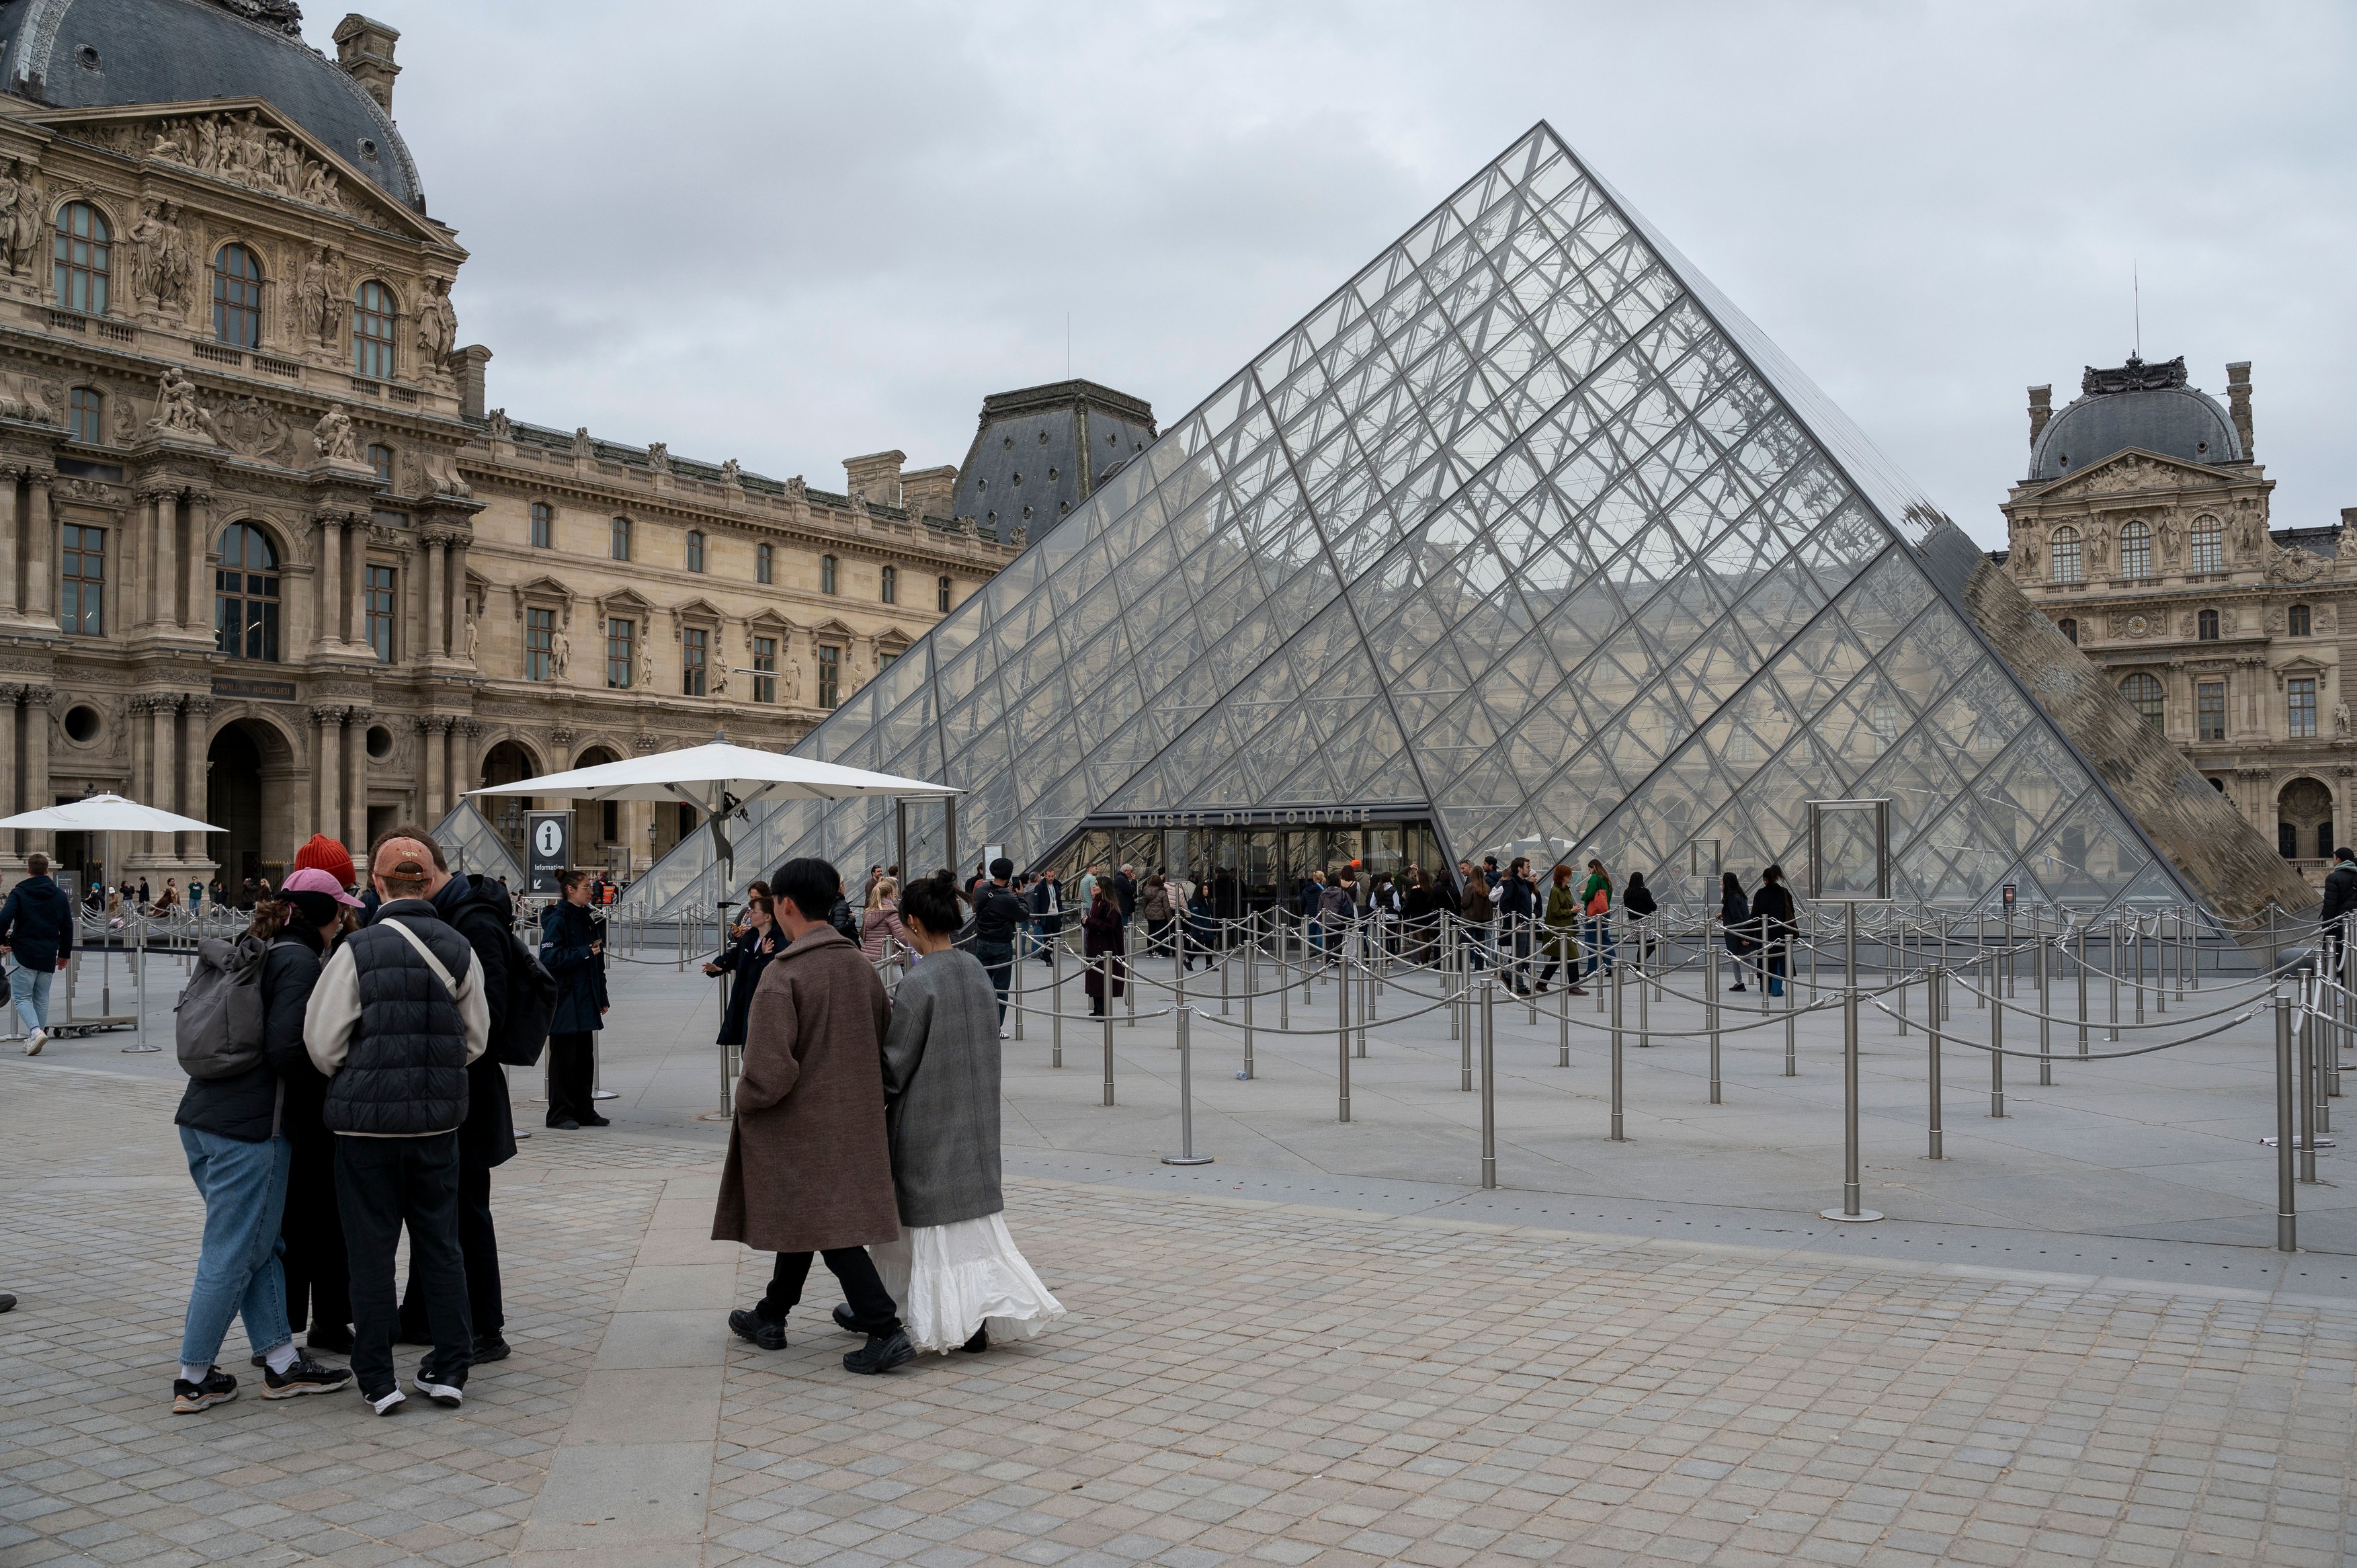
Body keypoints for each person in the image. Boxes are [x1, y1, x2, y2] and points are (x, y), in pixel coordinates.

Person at [304, 833, 492, 1415]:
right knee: (441, 1246)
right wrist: (430, 1072)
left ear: (378, 885)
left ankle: (379, 1378)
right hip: (436, 1128)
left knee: (371, 1251)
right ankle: (450, 1367)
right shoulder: (459, 947)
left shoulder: (354, 952)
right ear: (427, 881)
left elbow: (322, 1042)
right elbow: (476, 1040)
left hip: (366, 1133)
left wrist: (367, 1074)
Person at [169, 871, 360, 1414]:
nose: (345, 920)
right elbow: (285, 1048)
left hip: (203, 1117)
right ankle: (193, 1375)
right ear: (327, 915)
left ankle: (281, 1362)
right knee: (231, 1251)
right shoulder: (298, 961)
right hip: (252, 1129)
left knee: (261, 1247)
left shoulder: (257, 947)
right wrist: (329, 1088)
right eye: (341, 911)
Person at [715, 856, 911, 1375]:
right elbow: (885, 1039)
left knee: (829, 1226)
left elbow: (767, 1072)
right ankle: (770, 1314)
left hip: (800, 1125)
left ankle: (884, 1327)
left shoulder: (783, 975)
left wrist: (747, 1100)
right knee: (810, 1214)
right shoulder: (858, 966)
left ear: (784, 904)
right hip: (855, 1117)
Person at [868, 872, 1064, 1356]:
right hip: (975, 1120)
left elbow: (894, 1068)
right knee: (970, 1234)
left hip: (929, 1124)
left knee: (932, 1231)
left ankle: (945, 1319)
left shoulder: (918, 982)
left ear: (912, 920)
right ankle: (975, 1320)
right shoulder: (975, 969)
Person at [391, 831, 520, 1366]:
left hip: (469, 1089)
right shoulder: (447, 913)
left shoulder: (473, 919)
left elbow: (492, 1011)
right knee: (433, 1204)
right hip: (443, 1087)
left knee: (466, 1208)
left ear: (423, 870)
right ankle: (421, 1313)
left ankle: (486, 1327)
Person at [277, 889, 359, 1358]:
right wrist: (328, 1071)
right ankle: (299, 1327)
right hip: (310, 1108)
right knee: (320, 1221)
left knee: (304, 1222)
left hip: (295, 1110)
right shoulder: (305, 961)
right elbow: (291, 1043)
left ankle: (301, 1324)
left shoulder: (288, 950)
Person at [540, 869, 610, 1130]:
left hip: (584, 997)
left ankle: (584, 1109)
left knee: (584, 1058)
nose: (591, 891)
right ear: (570, 890)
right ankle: (559, 1113)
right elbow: (549, 958)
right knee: (564, 1059)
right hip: (567, 999)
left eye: (591, 886)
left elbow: (597, 962)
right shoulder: (559, 920)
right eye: (586, 887)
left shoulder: (586, 918)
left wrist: (602, 995)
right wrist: (582, 953)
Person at [1, 852, 73, 1055]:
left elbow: (4, 918)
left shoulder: (20, 892)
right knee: (41, 997)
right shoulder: (59, 895)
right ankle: (36, 1037)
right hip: (48, 952)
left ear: (28, 870)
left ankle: (35, 1031)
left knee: (22, 997)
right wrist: (64, 954)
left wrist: (3, 941)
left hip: (24, 951)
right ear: (47, 870)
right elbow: (67, 926)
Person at [706, 892, 780, 1054]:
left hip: (764, 1002)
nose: (750, 915)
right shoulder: (750, 937)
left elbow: (772, 971)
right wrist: (718, 965)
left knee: (760, 1048)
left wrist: (762, 956)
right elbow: (733, 956)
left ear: (767, 917)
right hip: (745, 999)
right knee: (748, 1046)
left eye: (754, 912)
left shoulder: (779, 940)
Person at [968, 858, 1027, 1038]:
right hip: (1002, 945)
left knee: (982, 987)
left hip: (982, 942)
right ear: (1009, 876)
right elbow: (1023, 915)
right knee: (1000, 989)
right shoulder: (1009, 898)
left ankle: (979, 1026)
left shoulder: (981, 890)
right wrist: (1021, 896)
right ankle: (995, 1028)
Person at [1538, 864, 1586, 995]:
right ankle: (1573, 986)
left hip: (1566, 927)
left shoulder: (1564, 890)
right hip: (1560, 929)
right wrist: (1571, 911)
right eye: (1568, 874)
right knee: (1572, 955)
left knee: (1558, 957)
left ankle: (1542, 983)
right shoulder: (1556, 891)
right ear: (1562, 876)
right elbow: (1555, 911)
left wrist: (1574, 910)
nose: (1571, 876)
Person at [1083, 875, 1126, 1017]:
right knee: (1095, 978)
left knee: (1101, 979)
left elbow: (1108, 926)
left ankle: (1102, 1010)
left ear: (1104, 888)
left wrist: (1089, 921)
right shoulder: (1098, 902)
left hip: (1106, 947)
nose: (1094, 887)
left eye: (1097, 885)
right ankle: (1097, 1008)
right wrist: (1087, 922)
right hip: (1096, 946)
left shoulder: (1110, 906)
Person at [1751, 865, 1796, 998]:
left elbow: (1754, 915)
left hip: (1765, 933)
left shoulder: (1760, 894)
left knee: (1766, 959)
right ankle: (1777, 988)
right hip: (1781, 932)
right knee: (1779, 961)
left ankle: (1767, 986)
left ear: (1765, 879)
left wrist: (1747, 935)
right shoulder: (1784, 892)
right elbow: (1791, 912)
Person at [1496, 857, 1538, 995]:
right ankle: (1519, 985)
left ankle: (1508, 974)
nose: (1529, 869)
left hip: (1524, 924)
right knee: (1520, 956)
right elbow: (1504, 904)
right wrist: (1516, 922)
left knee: (1526, 954)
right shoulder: (1513, 884)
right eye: (1527, 866)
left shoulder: (1522, 884)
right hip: (1519, 925)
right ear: (1519, 869)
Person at [2322, 848, 2357, 977]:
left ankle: (2342, 989)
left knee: (2338, 956)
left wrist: (2326, 926)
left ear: (2339, 860)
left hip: (2338, 924)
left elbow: (2330, 905)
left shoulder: (2333, 878)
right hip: (2355, 923)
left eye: (2335, 857)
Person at [1718, 871, 1753, 991]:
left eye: (1722, 880)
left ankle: (1762, 975)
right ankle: (1740, 982)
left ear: (1727, 882)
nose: (1721, 882)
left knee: (1741, 958)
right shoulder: (1740, 895)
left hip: (1735, 933)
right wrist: (1723, 914)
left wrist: (1742, 937)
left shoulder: (1732, 897)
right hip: (1739, 931)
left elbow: (1737, 918)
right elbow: (1737, 914)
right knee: (1737, 958)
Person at [1580, 858, 1614, 980]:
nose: (1590, 872)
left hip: (1594, 914)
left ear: (1594, 868)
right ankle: (1612, 965)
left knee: (1591, 941)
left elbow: (1589, 895)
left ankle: (1592, 968)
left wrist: (1583, 894)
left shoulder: (1595, 878)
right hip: (1605, 912)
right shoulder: (1606, 879)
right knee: (1605, 939)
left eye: (1590, 869)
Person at [1457, 864, 1491, 971]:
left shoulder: (1470, 887)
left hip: (1470, 918)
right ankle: (1479, 966)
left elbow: (1465, 903)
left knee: (1463, 943)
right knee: (1480, 943)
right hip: (1483, 919)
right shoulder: (1487, 887)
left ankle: (1461, 966)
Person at [1622, 872, 1657, 973]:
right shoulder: (1644, 892)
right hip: (1643, 923)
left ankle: (1641, 968)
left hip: (1633, 923)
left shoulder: (1627, 892)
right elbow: (1653, 907)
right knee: (1651, 945)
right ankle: (1638, 965)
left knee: (1642, 946)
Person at [1030, 868, 1065, 964]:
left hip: (1056, 914)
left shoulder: (1057, 885)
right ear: (1045, 875)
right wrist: (1036, 917)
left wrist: (1061, 912)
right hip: (1046, 915)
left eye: (1052, 876)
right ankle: (1048, 959)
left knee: (1057, 936)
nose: (1051, 878)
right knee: (1047, 938)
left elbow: (1059, 900)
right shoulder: (1040, 886)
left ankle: (1045, 954)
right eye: (1049, 876)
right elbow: (1037, 902)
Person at [1139, 871, 1175, 960]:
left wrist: (1146, 911)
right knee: (1159, 933)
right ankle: (1158, 951)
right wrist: (1170, 918)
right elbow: (1166, 907)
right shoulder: (1162, 892)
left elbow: (1144, 904)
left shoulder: (1147, 891)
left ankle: (1149, 951)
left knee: (1151, 932)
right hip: (1161, 916)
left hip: (1150, 915)